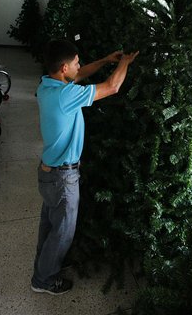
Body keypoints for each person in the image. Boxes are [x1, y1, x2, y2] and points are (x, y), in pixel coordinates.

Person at [31, 39, 139, 295]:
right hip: (62, 177)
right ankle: (43, 280)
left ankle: (42, 268)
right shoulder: (65, 95)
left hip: (48, 172)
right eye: (76, 62)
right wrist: (124, 62)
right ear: (64, 68)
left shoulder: (48, 85)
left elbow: (80, 74)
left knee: (49, 226)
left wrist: (104, 60)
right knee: (63, 233)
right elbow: (112, 87)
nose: (79, 66)